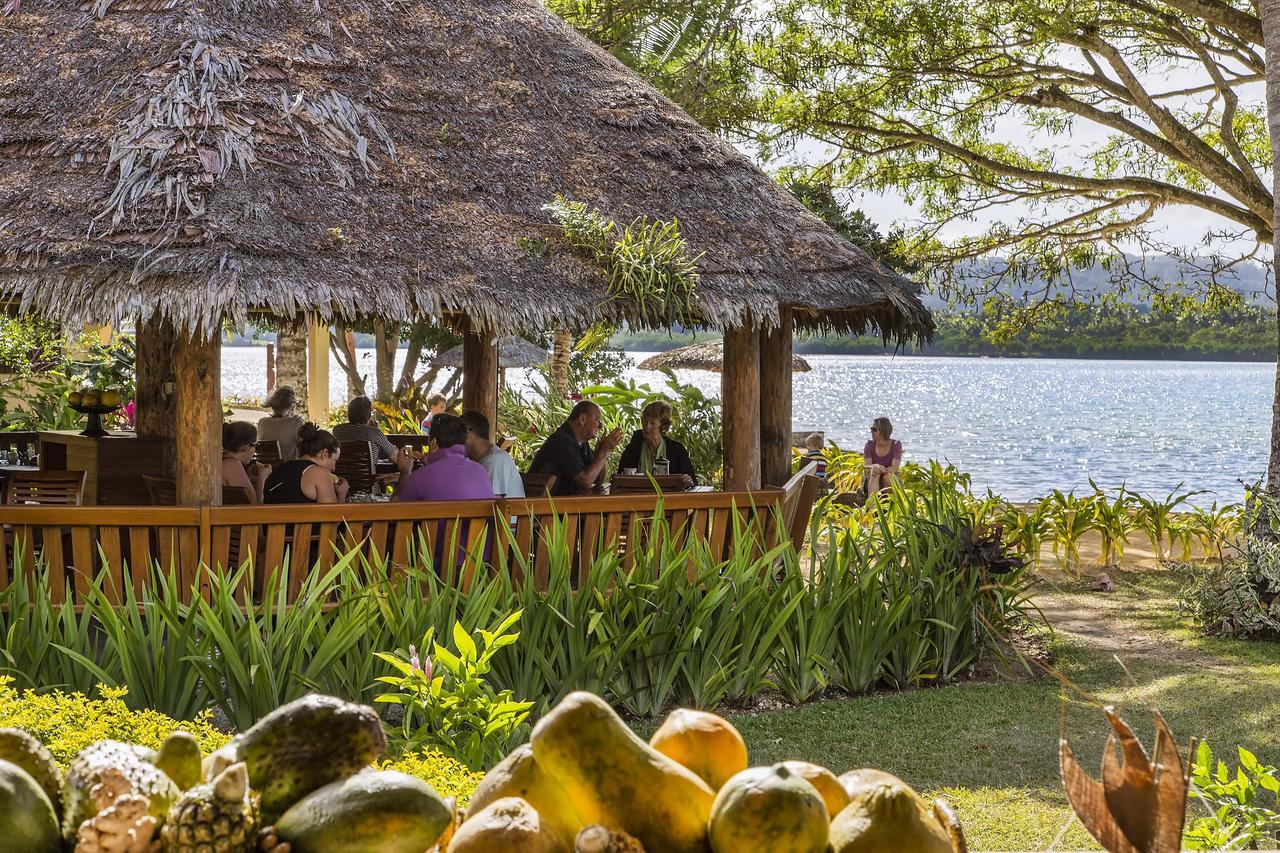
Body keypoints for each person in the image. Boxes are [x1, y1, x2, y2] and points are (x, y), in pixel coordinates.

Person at [528, 401, 623, 496]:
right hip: (543, 507)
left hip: (565, 504)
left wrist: (600, 454)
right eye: (597, 420)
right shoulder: (561, 441)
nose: (600, 426)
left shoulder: (582, 443)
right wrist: (604, 451)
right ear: (582, 419)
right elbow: (586, 481)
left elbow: (598, 480)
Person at [395, 413, 495, 501]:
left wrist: (405, 473)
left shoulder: (418, 478)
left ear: (433, 443)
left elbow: (394, 515)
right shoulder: (481, 472)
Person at [263, 423, 349, 504]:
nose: (334, 467)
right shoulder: (320, 474)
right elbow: (332, 517)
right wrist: (342, 494)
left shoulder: (279, 469)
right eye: (335, 460)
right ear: (325, 454)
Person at [617, 400, 696, 488]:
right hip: (638, 499)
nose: (647, 426)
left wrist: (687, 481)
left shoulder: (676, 450)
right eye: (645, 421)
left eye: (652, 423)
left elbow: (692, 482)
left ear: (663, 426)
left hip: (669, 499)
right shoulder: (633, 448)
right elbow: (619, 478)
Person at [460, 410, 524, 498]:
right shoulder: (488, 459)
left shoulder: (495, 460)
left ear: (467, 434)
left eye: (457, 434)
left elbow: (492, 504)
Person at [333, 395, 406, 464]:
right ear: (369, 415)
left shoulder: (337, 431)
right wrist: (377, 431)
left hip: (341, 477)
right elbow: (397, 458)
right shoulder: (375, 433)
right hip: (367, 477)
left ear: (348, 414)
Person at [221, 421, 270, 503]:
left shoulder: (220, 460)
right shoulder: (231, 464)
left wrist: (247, 476)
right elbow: (255, 506)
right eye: (255, 445)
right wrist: (262, 478)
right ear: (247, 447)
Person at [258, 386, 304, 461]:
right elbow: (305, 446)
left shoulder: (262, 422)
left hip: (265, 469)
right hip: (287, 469)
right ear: (292, 405)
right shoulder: (296, 423)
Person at [863, 416, 902, 495]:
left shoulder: (896, 445)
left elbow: (895, 468)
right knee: (875, 472)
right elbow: (867, 465)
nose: (871, 432)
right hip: (871, 478)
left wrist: (882, 470)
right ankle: (873, 506)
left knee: (887, 477)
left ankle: (894, 504)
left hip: (889, 477)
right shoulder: (869, 445)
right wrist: (876, 467)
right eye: (871, 429)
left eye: (874, 429)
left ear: (883, 431)